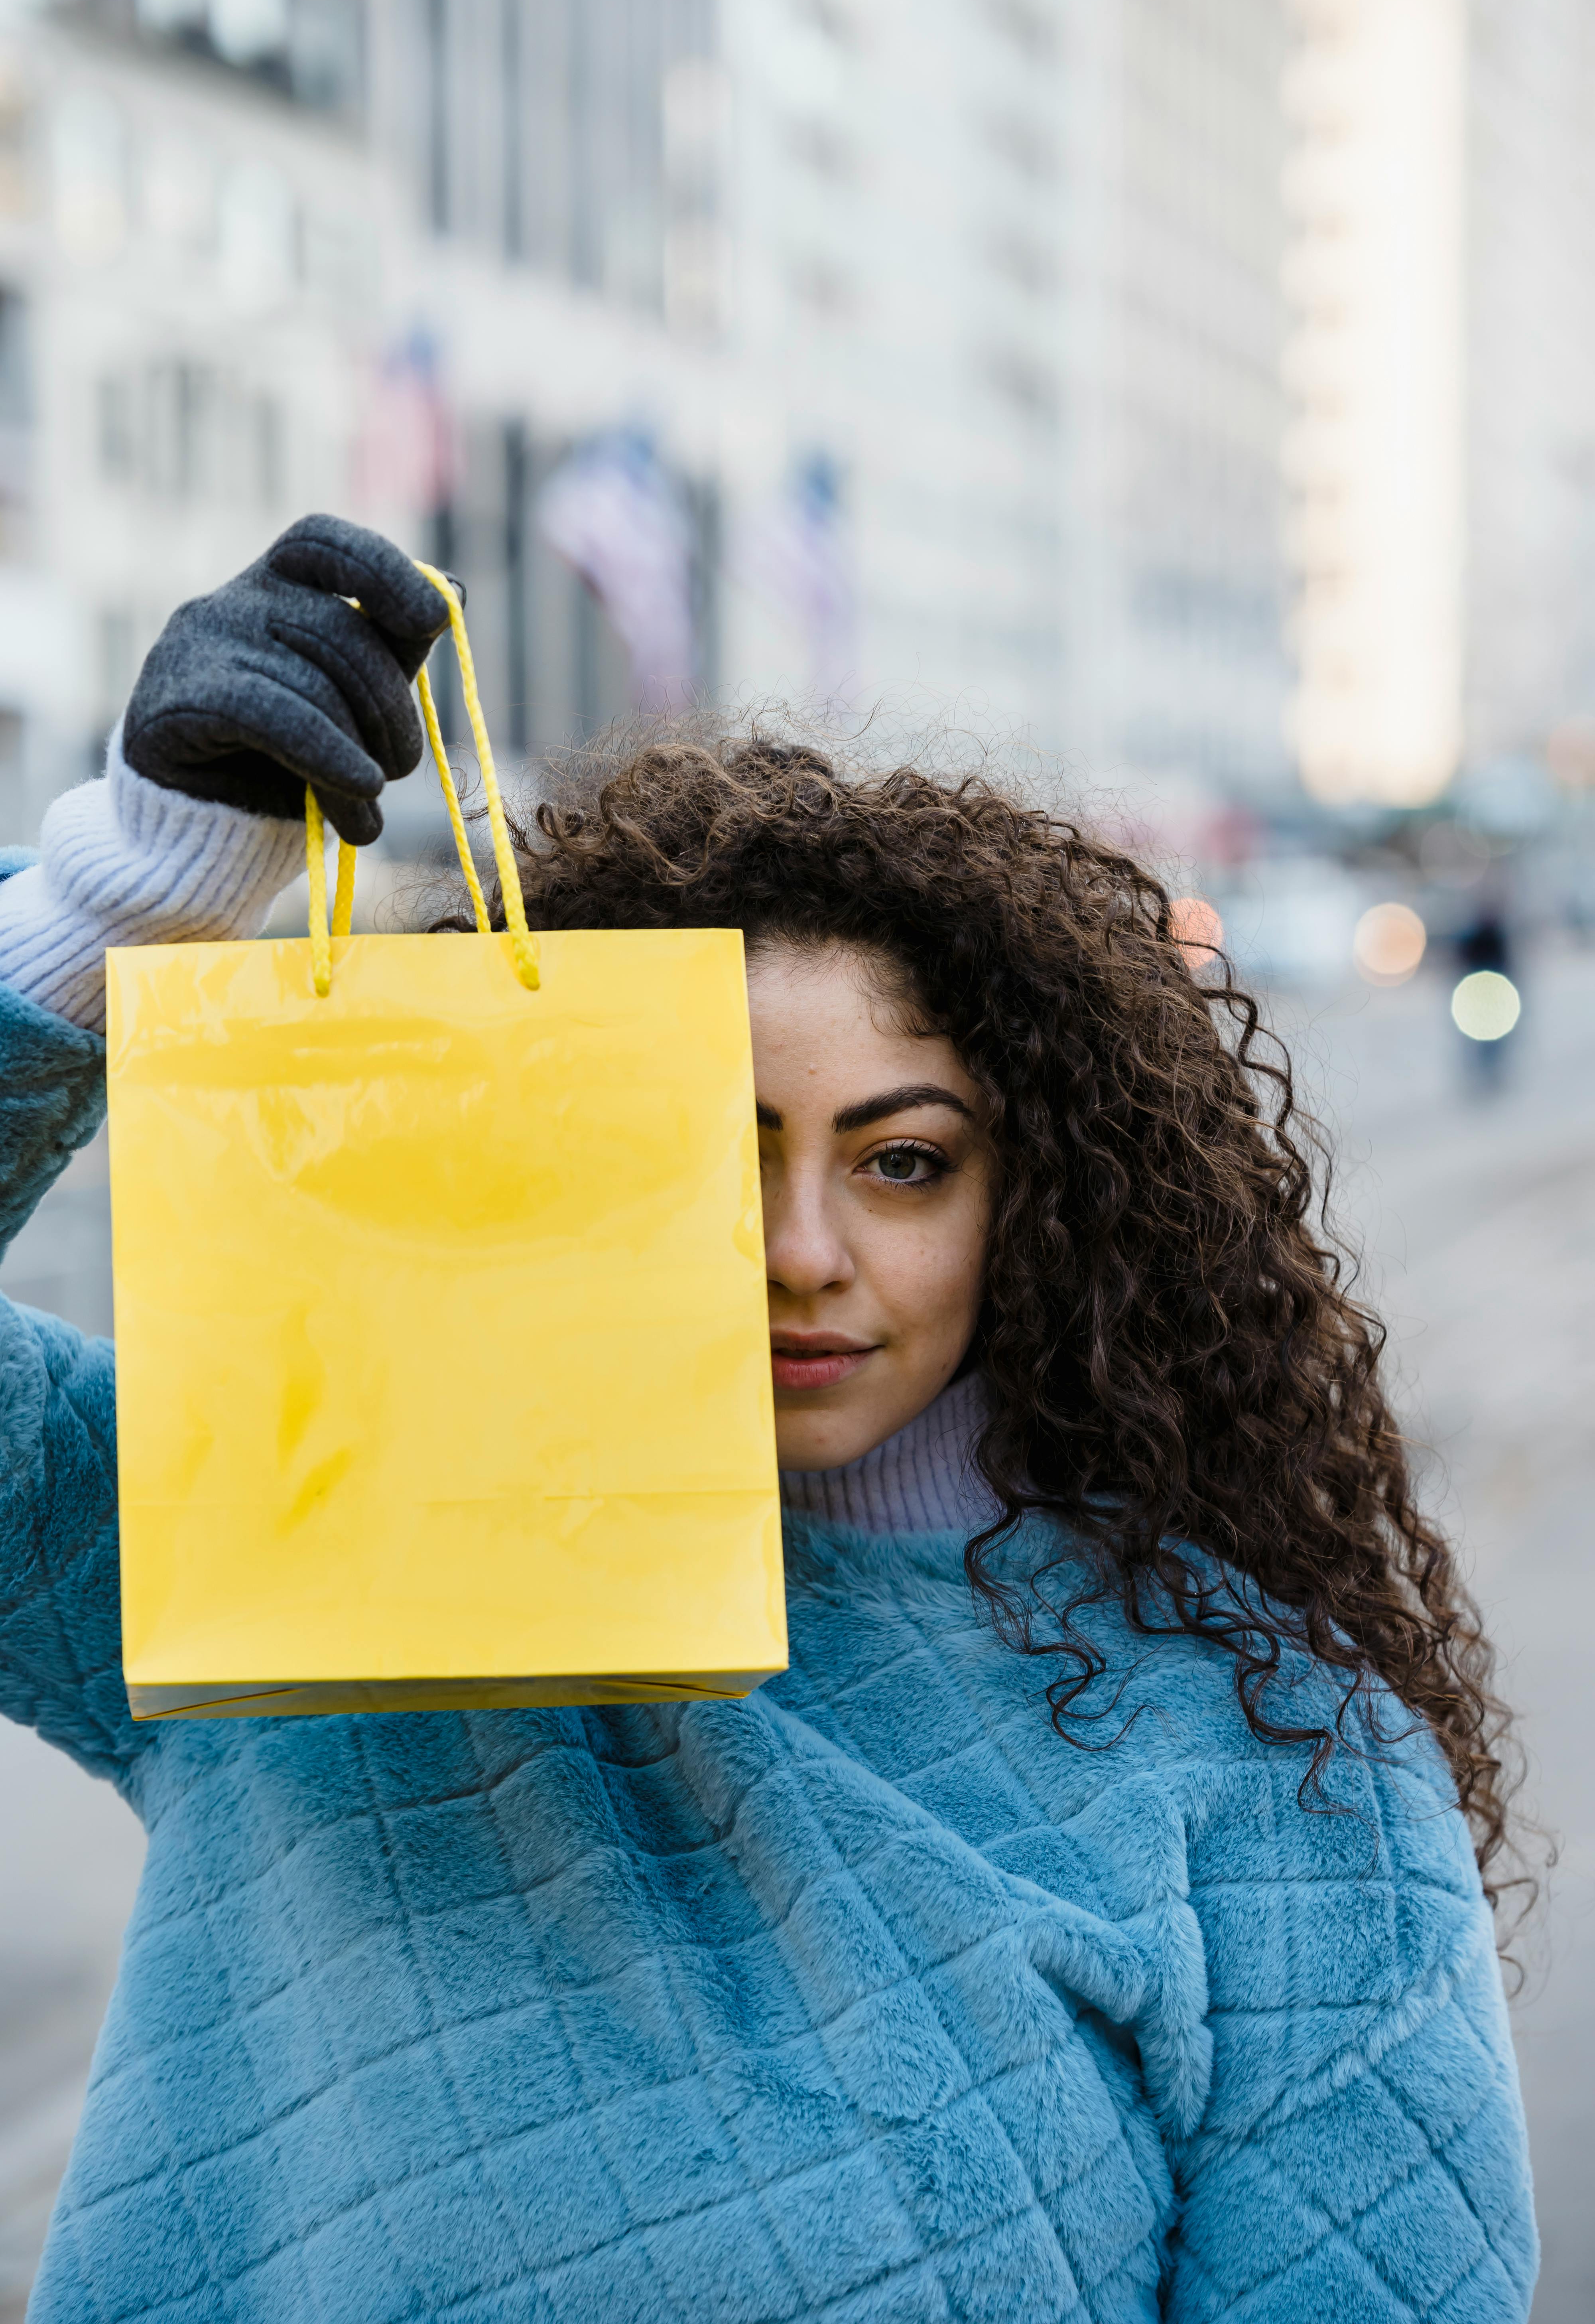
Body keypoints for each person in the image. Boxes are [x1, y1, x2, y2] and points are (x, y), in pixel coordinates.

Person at [0, 518, 1536, 2321]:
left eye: (902, 1162)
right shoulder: (282, 1529)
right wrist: (108, 909)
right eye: (713, 1146)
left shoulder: (1282, 1765)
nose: (804, 1252)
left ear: (1032, 1198)